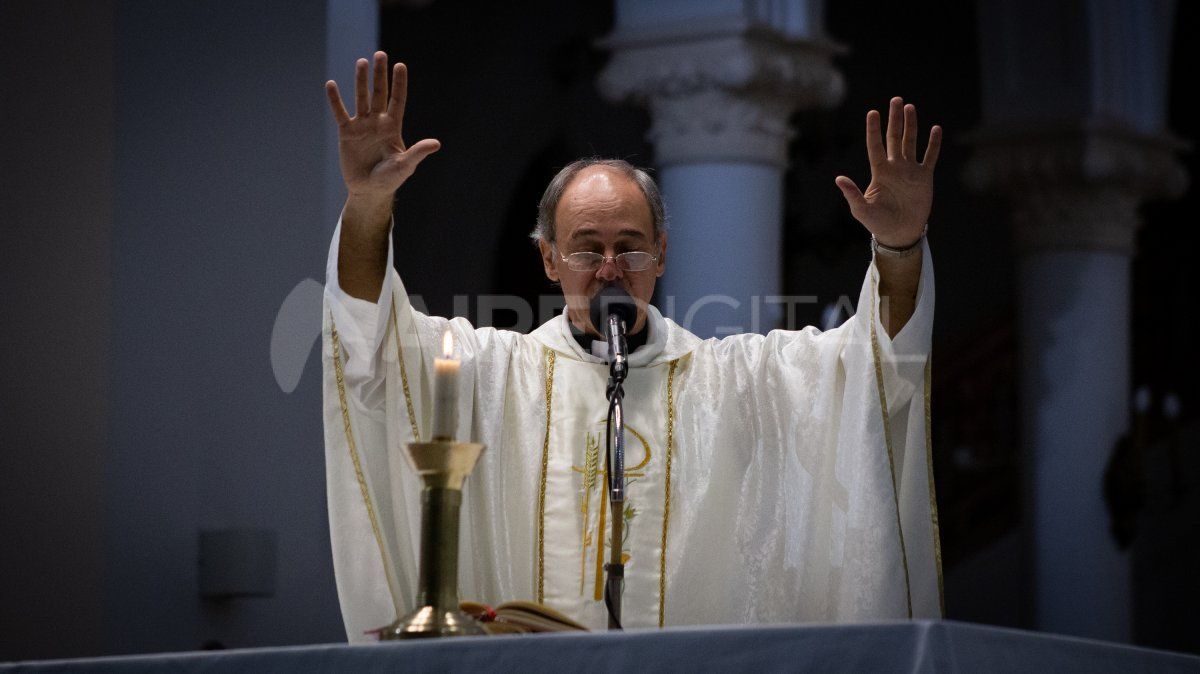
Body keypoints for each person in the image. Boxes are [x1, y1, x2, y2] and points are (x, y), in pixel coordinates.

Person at [321, 52, 941, 640]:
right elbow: (372, 343)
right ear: (549, 259)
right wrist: (370, 205)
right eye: (587, 247)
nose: (611, 267)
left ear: (662, 255)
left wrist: (899, 250)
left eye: (632, 247)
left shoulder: (737, 381)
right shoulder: (493, 374)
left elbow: (875, 368)